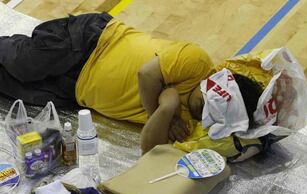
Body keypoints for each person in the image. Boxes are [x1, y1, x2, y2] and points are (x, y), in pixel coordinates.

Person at [0, 12, 263, 154]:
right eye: (204, 106)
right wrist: (159, 113)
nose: (201, 114)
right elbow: (146, 75)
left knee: (13, 90)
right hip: (90, 43)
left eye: (209, 117)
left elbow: (150, 147)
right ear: (211, 87)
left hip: (75, 92)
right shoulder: (196, 62)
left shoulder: (192, 123)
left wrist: (167, 110)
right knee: (24, 64)